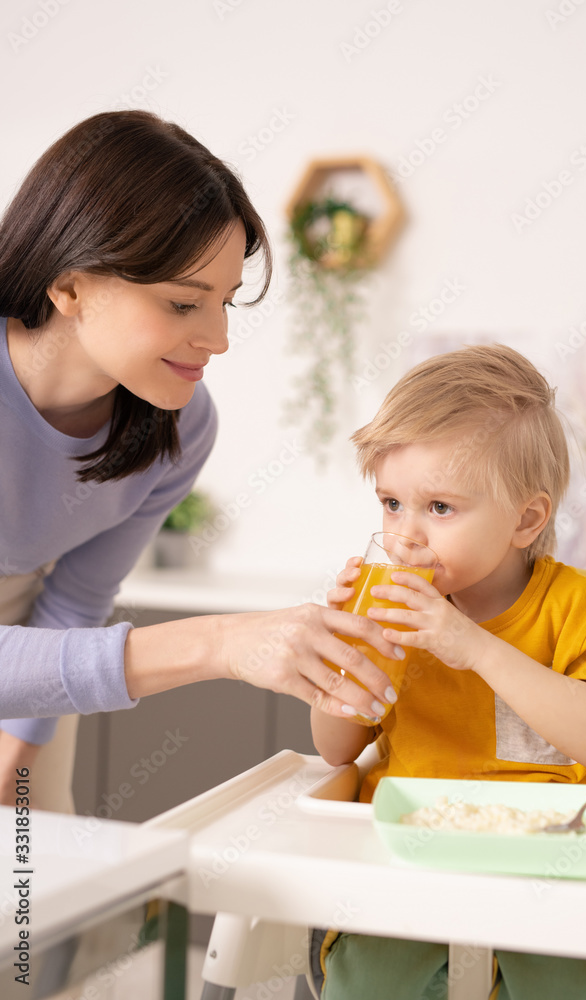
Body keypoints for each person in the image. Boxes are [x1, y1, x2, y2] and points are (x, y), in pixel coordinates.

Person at [0, 110, 402, 811]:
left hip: (37, 639)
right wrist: (220, 643)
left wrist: (16, 749)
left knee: (31, 893)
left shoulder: (180, 426)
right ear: (68, 288)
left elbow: (76, 601)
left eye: (224, 303)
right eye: (183, 303)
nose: (216, 338)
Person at [311, 344, 586, 1000]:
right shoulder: (395, 613)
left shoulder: (581, 607)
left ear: (526, 519)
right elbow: (334, 749)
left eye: (438, 508)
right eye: (390, 503)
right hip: (407, 862)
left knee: (566, 983)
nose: (406, 535)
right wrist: (347, 656)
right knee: (368, 981)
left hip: (556, 866)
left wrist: (470, 645)